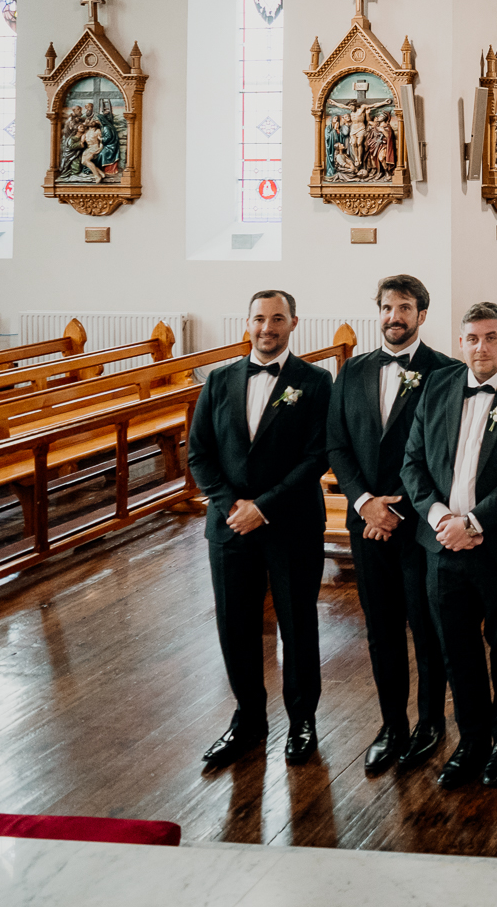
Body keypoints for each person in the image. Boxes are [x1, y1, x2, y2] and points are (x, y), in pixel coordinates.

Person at [400, 302, 497, 789]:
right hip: (443, 545)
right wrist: (441, 517)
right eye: (471, 338)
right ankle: (472, 741)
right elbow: (412, 464)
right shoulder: (440, 387)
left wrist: (475, 520)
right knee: (456, 649)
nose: (480, 347)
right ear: (461, 342)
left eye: (490, 337)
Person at [189, 288, 334, 770]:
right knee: (236, 625)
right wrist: (233, 506)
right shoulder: (219, 380)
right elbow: (200, 453)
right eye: (258, 319)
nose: (266, 328)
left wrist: (264, 506)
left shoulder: (314, 382)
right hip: (230, 526)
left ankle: (302, 721)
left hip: (290, 522)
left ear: (294, 323)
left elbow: (317, 456)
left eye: (277, 319)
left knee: (298, 624)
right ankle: (248, 718)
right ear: (246, 323)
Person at [326, 274, 458, 775]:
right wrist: (363, 502)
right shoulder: (353, 371)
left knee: (426, 629)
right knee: (380, 631)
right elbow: (336, 443)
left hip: (420, 525)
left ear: (422, 315)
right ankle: (392, 724)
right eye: (386, 307)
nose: (393, 317)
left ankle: (429, 723)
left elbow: (441, 455)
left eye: (404, 307)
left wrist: (397, 508)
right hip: (366, 524)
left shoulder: (444, 372)